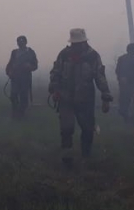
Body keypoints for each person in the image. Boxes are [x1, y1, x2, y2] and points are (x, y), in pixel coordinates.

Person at [48, 28, 113, 162]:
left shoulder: (93, 56)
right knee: (66, 128)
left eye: (79, 43)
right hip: (65, 98)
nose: (76, 46)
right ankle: (67, 157)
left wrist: (106, 97)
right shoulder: (64, 55)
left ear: (84, 42)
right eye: (74, 43)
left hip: (85, 99)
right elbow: (56, 72)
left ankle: (86, 156)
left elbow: (100, 77)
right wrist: (55, 90)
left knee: (88, 128)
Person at [5, 35, 38, 118]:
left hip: (25, 78)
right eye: (19, 42)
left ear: (26, 42)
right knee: (13, 96)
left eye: (22, 42)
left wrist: (29, 66)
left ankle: (21, 113)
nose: (20, 44)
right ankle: (15, 113)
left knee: (24, 96)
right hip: (15, 78)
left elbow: (35, 65)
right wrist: (9, 72)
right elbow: (10, 64)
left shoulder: (30, 52)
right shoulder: (14, 52)